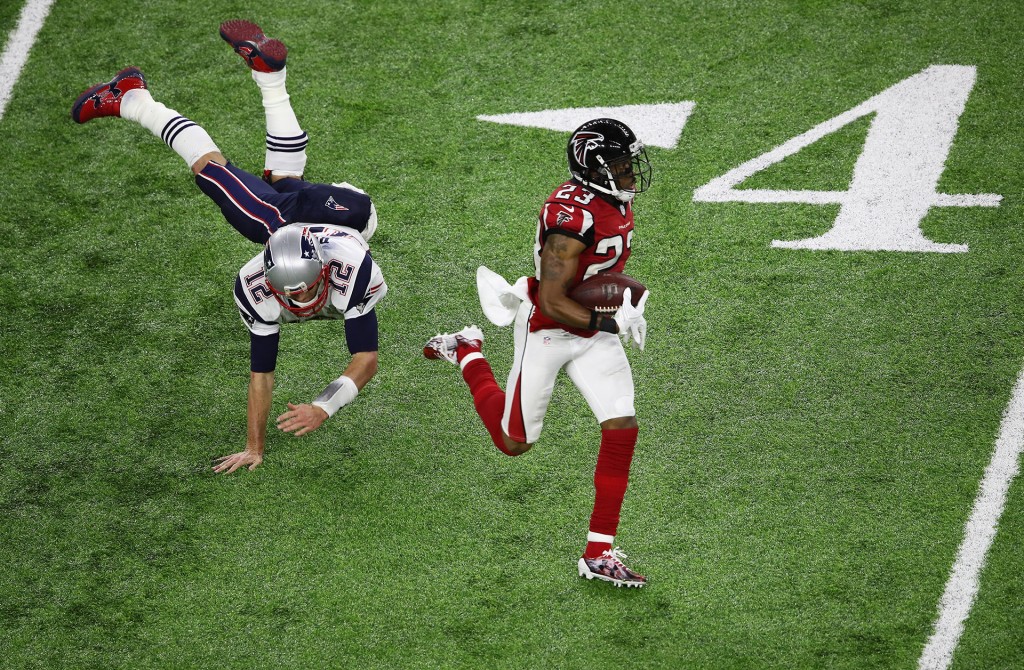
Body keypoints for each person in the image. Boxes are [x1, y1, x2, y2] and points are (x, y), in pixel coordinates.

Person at [71, 21, 387, 474]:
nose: (300, 301)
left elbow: (367, 359)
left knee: (213, 172)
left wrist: (323, 406)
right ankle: (257, 80)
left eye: (303, 290)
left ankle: (134, 99)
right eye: (291, 294)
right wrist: (254, 447)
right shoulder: (257, 284)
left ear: (322, 266)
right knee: (275, 186)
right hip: (348, 212)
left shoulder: (346, 269)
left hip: (340, 213)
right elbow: (263, 374)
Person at [423, 118, 652, 587]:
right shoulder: (571, 220)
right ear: (594, 166)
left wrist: (615, 308)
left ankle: (599, 551)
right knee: (513, 444)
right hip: (548, 329)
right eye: (621, 164)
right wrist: (610, 319)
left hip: (592, 330)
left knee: (622, 425)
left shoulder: (608, 200)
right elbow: (552, 300)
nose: (630, 172)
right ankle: (467, 351)